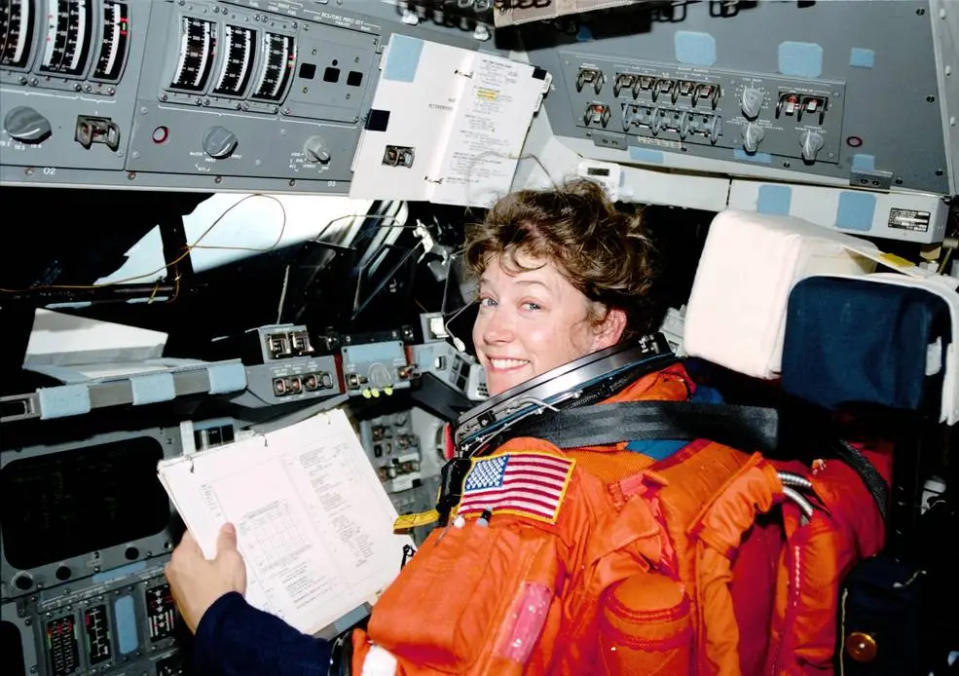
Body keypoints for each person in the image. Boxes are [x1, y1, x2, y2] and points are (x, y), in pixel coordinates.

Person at [166, 180, 885, 674]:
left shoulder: (540, 497)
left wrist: (222, 617)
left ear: (606, 325)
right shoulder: (702, 415)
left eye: (532, 305)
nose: (493, 333)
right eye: (489, 300)